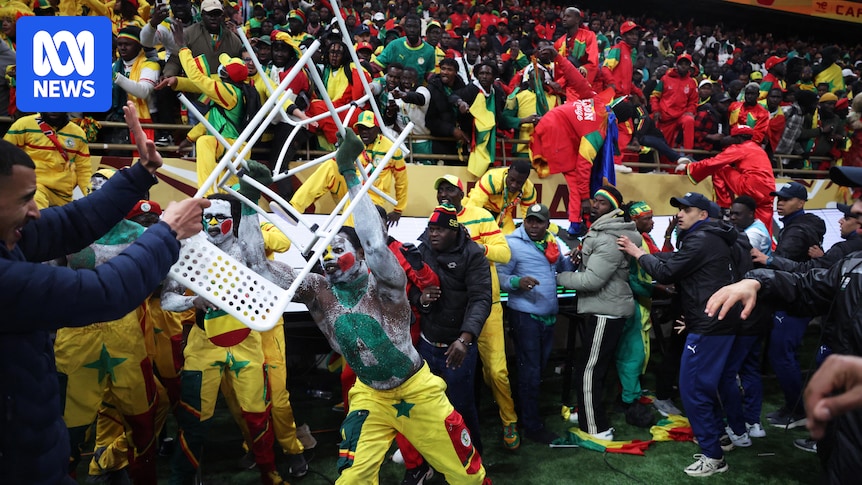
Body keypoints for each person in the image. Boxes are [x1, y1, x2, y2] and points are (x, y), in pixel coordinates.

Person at [242, 132, 490, 484]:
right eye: (324, 253)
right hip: (369, 395)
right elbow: (258, 267)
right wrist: (247, 203)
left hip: (417, 390)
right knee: (351, 480)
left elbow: (375, 244)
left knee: (468, 477)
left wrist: (349, 173)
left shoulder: (385, 284)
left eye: (337, 249)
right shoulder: (317, 291)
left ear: (359, 255)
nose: (328, 258)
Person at [0, 102, 208, 485]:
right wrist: (168, 232)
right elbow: (102, 293)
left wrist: (140, 173)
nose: (35, 210)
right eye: (25, 198)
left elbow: (72, 221)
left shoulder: (8, 236)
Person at [705, 165, 862, 484]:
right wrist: (758, 281)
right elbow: (811, 282)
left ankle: (795, 408)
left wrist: (769, 263)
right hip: (844, 405)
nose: (855, 209)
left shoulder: (807, 234)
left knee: (780, 356)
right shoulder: (853, 262)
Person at [161, 194, 283, 485]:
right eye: (208, 218)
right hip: (203, 343)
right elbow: (166, 299)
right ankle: (182, 480)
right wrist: (192, 301)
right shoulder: (188, 250)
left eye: (220, 218)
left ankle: (270, 475)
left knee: (258, 415)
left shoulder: (249, 252)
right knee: (194, 419)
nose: (213, 224)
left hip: (247, 342)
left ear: (234, 221)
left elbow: (270, 286)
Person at [617, 191, 739, 477]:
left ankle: (713, 456)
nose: (679, 214)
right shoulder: (714, 236)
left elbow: (667, 271)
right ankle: (719, 437)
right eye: (680, 209)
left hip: (708, 324)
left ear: (703, 215)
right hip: (717, 321)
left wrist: (638, 253)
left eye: (687, 210)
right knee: (706, 385)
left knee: (693, 388)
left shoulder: (700, 238)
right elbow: (678, 259)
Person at [434, 174, 518, 449]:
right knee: (451, 373)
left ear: (462, 193)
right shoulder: (436, 220)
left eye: (450, 189)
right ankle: (453, 428)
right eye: (440, 190)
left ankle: (509, 420)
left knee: (497, 372)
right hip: (455, 309)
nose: (444, 194)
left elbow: (504, 253)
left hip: (487, 306)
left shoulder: (480, 215)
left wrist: (477, 247)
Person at [557, 185, 642, 441]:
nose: (594, 205)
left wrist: (558, 277)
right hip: (605, 307)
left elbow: (592, 280)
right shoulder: (604, 232)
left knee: (589, 370)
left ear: (613, 209)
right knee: (593, 367)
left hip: (606, 310)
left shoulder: (608, 238)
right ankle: (586, 411)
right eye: (594, 200)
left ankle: (595, 427)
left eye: (601, 202)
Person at [498, 203, 574, 443]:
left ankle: (525, 416)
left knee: (536, 370)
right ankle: (532, 426)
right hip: (525, 316)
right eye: (530, 220)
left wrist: (573, 260)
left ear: (547, 224)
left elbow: (563, 268)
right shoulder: (512, 243)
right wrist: (516, 282)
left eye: (538, 221)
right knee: (530, 371)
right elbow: (498, 276)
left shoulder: (551, 242)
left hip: (548, 317)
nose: (533, 225)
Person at [157, 21, 252, 194]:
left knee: (205, 142)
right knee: (230, 191)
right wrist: (190, 138)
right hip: (232, 147)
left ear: (225, 74)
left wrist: (183, 47)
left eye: (224, 66)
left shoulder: (227, 91)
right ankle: (221, 201)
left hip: (229, 145)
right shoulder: (234, 89)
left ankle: (206, 194)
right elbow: (211, 118)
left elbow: (198, 79)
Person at [766, 181, 826, 429]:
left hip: (794, 300)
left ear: (801, 203)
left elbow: (782, 261)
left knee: (781, 355)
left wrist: (766, 259)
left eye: (786, 199)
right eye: (778, 198)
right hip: (801, 298)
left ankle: (797, 409)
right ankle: (796, 406)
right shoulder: (800, 225)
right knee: (786, 353)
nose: (780, 203)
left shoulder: (797, 230)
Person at [290, 111, 407, 226]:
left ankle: (346, 233)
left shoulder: (392, 149)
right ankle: (294, 208)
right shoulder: (352, 143)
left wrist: (398, 209)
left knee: (357, 198)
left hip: (374, 198)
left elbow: (401, 181)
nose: (364, 132)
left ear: (377, 128)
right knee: (330, 165)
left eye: (368, 128)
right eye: (361, 128)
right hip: (349, 189)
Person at [677, 124, 774, 234]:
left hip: (751, 187)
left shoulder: (740, 148)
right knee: (764, 228)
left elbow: (714, 163)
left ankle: (725, 207)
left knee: (720, 168)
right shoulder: (759, 149)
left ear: (738, 138)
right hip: (769, 192)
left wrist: (689, 167)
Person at [4, 112, 91, 209]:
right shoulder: (23, 125)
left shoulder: (78, 133)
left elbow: (83, 170)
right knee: (37, 207)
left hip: (63, 195)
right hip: (33, 187)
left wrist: (92, 196)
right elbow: (4, 156)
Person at [465, 160, 538, 235]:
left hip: (503, 214)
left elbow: (529, 216)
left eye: (519, 183)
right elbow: (475, 205)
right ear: (508, 172)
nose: (514, 185)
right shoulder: (492, 178)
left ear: (525, 180)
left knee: (510, 238)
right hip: (482, 209)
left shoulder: (529, 190)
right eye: (512, 179)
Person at [650, 54, 698, 153]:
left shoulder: (692, 82)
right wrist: (656, 110)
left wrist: (690, 111)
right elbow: (654, 96)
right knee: (664, 149)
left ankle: (689, 153)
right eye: (681, 64)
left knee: (689, 120)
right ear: (676, 65)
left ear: (689, 66)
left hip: (680, 115)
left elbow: (693, 102)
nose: (683, 66)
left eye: (686, 64)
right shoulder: (665, 79)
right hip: (664, 117)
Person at [426, 57, 469, 157]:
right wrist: (452, 130)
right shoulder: (431, 89)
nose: (445, 72)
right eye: (443, 69)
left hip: (461, 141)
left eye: (449, 70)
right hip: (439, 141)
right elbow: (430, 120)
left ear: (456, 72)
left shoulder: (463, 89)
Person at [373, 14, 436, 82]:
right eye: (409, 26)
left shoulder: (429, 50)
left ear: (420, 28)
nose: (412, 30)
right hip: (395, 86)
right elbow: (375, 66)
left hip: (417, 87)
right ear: (404, 28)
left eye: (415, 27)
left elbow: (430, 75)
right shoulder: (394, 45)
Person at [554, 7, 598, 86]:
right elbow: (558, 69)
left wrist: (582, 70)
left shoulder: (588, 36)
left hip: (584, 83)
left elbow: (593, 62)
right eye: (564, 16)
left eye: (568, 16)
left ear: (577, 19)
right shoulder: (558, 43)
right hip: (564, 85)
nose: (564, 19)